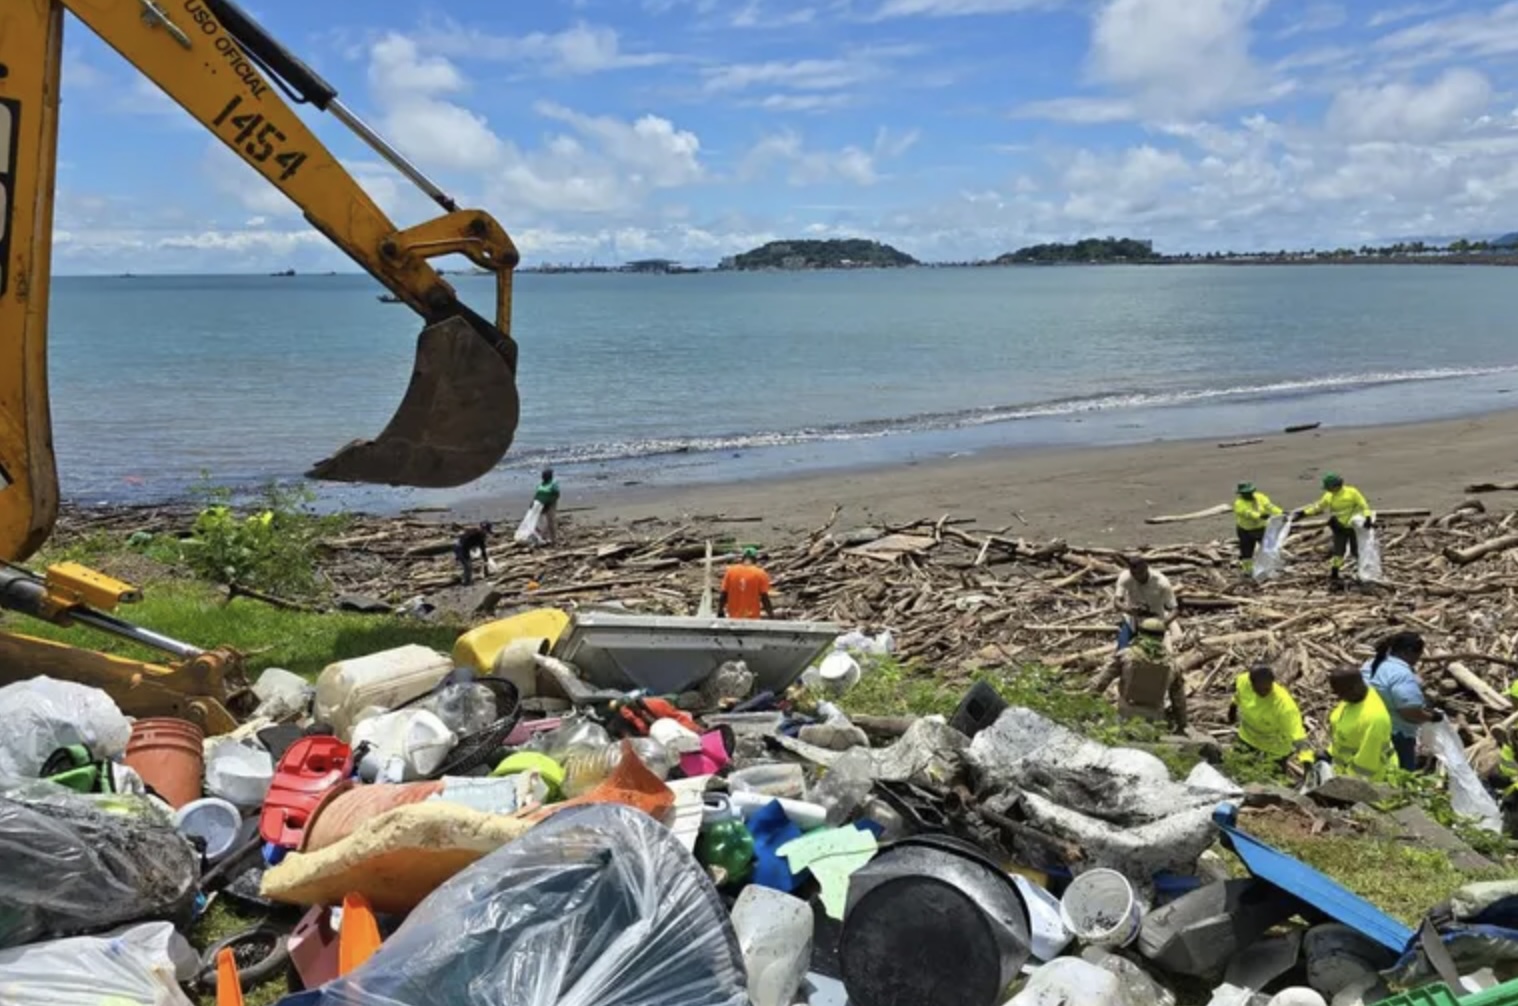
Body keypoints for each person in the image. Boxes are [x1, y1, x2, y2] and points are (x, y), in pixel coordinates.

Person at [1089, 616, 1188, 731]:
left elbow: (1100, 683)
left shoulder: (1126, 655)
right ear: (1162, 637)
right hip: (1155, 720)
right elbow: (1179, 701)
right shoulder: (1173, 664)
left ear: (1140, 634)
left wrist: (1084, 704)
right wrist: (1182, 725)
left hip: (1125, 714)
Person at [1361, 631, 1439, 772]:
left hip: (1365, 727)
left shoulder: (1370, 665)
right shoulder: (1401, 674)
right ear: (1409, 651)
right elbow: (1409, 712)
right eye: (1419, 654)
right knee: (1400, 778)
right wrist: (1432, 717)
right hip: (1395, 735)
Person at [1228, 663, 1314, 776]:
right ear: (1251, 683)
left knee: (1273, 782)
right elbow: (1238, 696)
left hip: (1275, 748)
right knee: (1236, 772)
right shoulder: (1243, 681)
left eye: (1267, 688)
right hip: (1248, 737)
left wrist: (1307, 763)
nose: (1263, 692)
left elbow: (1298, 735)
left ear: (1272, 682)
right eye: (1258, 688)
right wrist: (1232, 709)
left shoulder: (1284, 705)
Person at [1293, 472, 1374, 582]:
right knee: (1338, 551)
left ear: (1336, 486)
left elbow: (1363, 505)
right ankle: (1334, 572)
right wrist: (1304, 513)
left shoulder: (1352, 492)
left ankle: (1361, 571)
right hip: (1339, 527)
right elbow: (1319, 506)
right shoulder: (1329, 496)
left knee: (1357, 550)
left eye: (1329, 488)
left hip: (1353, 527)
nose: (1328, 490)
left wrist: (1368, 517)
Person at [1327, 665, 1394, 781]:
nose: (1339, 697)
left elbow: (1366, 763)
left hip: (1373, 779)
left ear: (1355, 688)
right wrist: (1329, 752)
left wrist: (1343, 783)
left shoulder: (1375, 717)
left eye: (1341, 693)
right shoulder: (1352, 701)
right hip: (1345, 772)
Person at [1113, 555, 1178, 651]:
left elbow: (1175, 609)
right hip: (1133, 619)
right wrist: (1128, 610)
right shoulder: (1125, 577)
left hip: (1155, 622)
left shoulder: (1161, 582)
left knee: (1153, 653)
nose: (1138, 577)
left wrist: (1162, 624)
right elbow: (1116, 602)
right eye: (1134, 574)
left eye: (1140, 573)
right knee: (1122, 649)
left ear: (1146, 568)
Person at [1233, 482, 1283, 577]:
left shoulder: (1260, 497)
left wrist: (1280, 512)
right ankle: (1248, 570)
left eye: (1250, 492)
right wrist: (1260, 516)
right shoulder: (1239, 504)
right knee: (1246, 552)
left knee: (1270, 548)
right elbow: (1248, 513)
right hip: (1246, 530)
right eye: (1246, 493)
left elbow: (1269, 506)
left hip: (1261, 529)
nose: (1248, 494)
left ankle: (1273, 566)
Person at [719, 546, 774, 620]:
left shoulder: (730, 571)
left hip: (733, 618)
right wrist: (771, 615)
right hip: (752, 619)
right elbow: (764, 597)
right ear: (755, 559)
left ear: (743, 558)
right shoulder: (760, 573)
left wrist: (720, 610)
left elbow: (724, 593)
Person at [454, 521, 492, 586]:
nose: (485, 532)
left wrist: (485, 558)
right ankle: (466, 582)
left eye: (486, 531)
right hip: (460, 547)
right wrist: (464, 554)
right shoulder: (474, 533)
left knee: (467, 564)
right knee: (468, 566)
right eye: (485, 530)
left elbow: (482, 548)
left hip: (463, 547)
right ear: (481, 528)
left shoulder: (481, 536)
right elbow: (464, 542)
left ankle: (464, 578)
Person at [534, 468, 561, 544]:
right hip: (541, 504)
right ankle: (543, 537)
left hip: (550, 504)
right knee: (541, 521)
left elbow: (557, 494)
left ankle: (553, 539)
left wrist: (550, 502)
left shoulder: (553, 483)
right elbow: (537, 494)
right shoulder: (541, 484)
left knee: (551, 521)